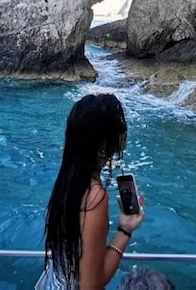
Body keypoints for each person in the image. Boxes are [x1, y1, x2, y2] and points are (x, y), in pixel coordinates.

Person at [42, 93, 146, 289]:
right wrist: (125, 230)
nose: (125, 129)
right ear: (103, 143)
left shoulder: (68, 180)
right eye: (120, 124)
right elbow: (90, 285)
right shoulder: (94, 196)